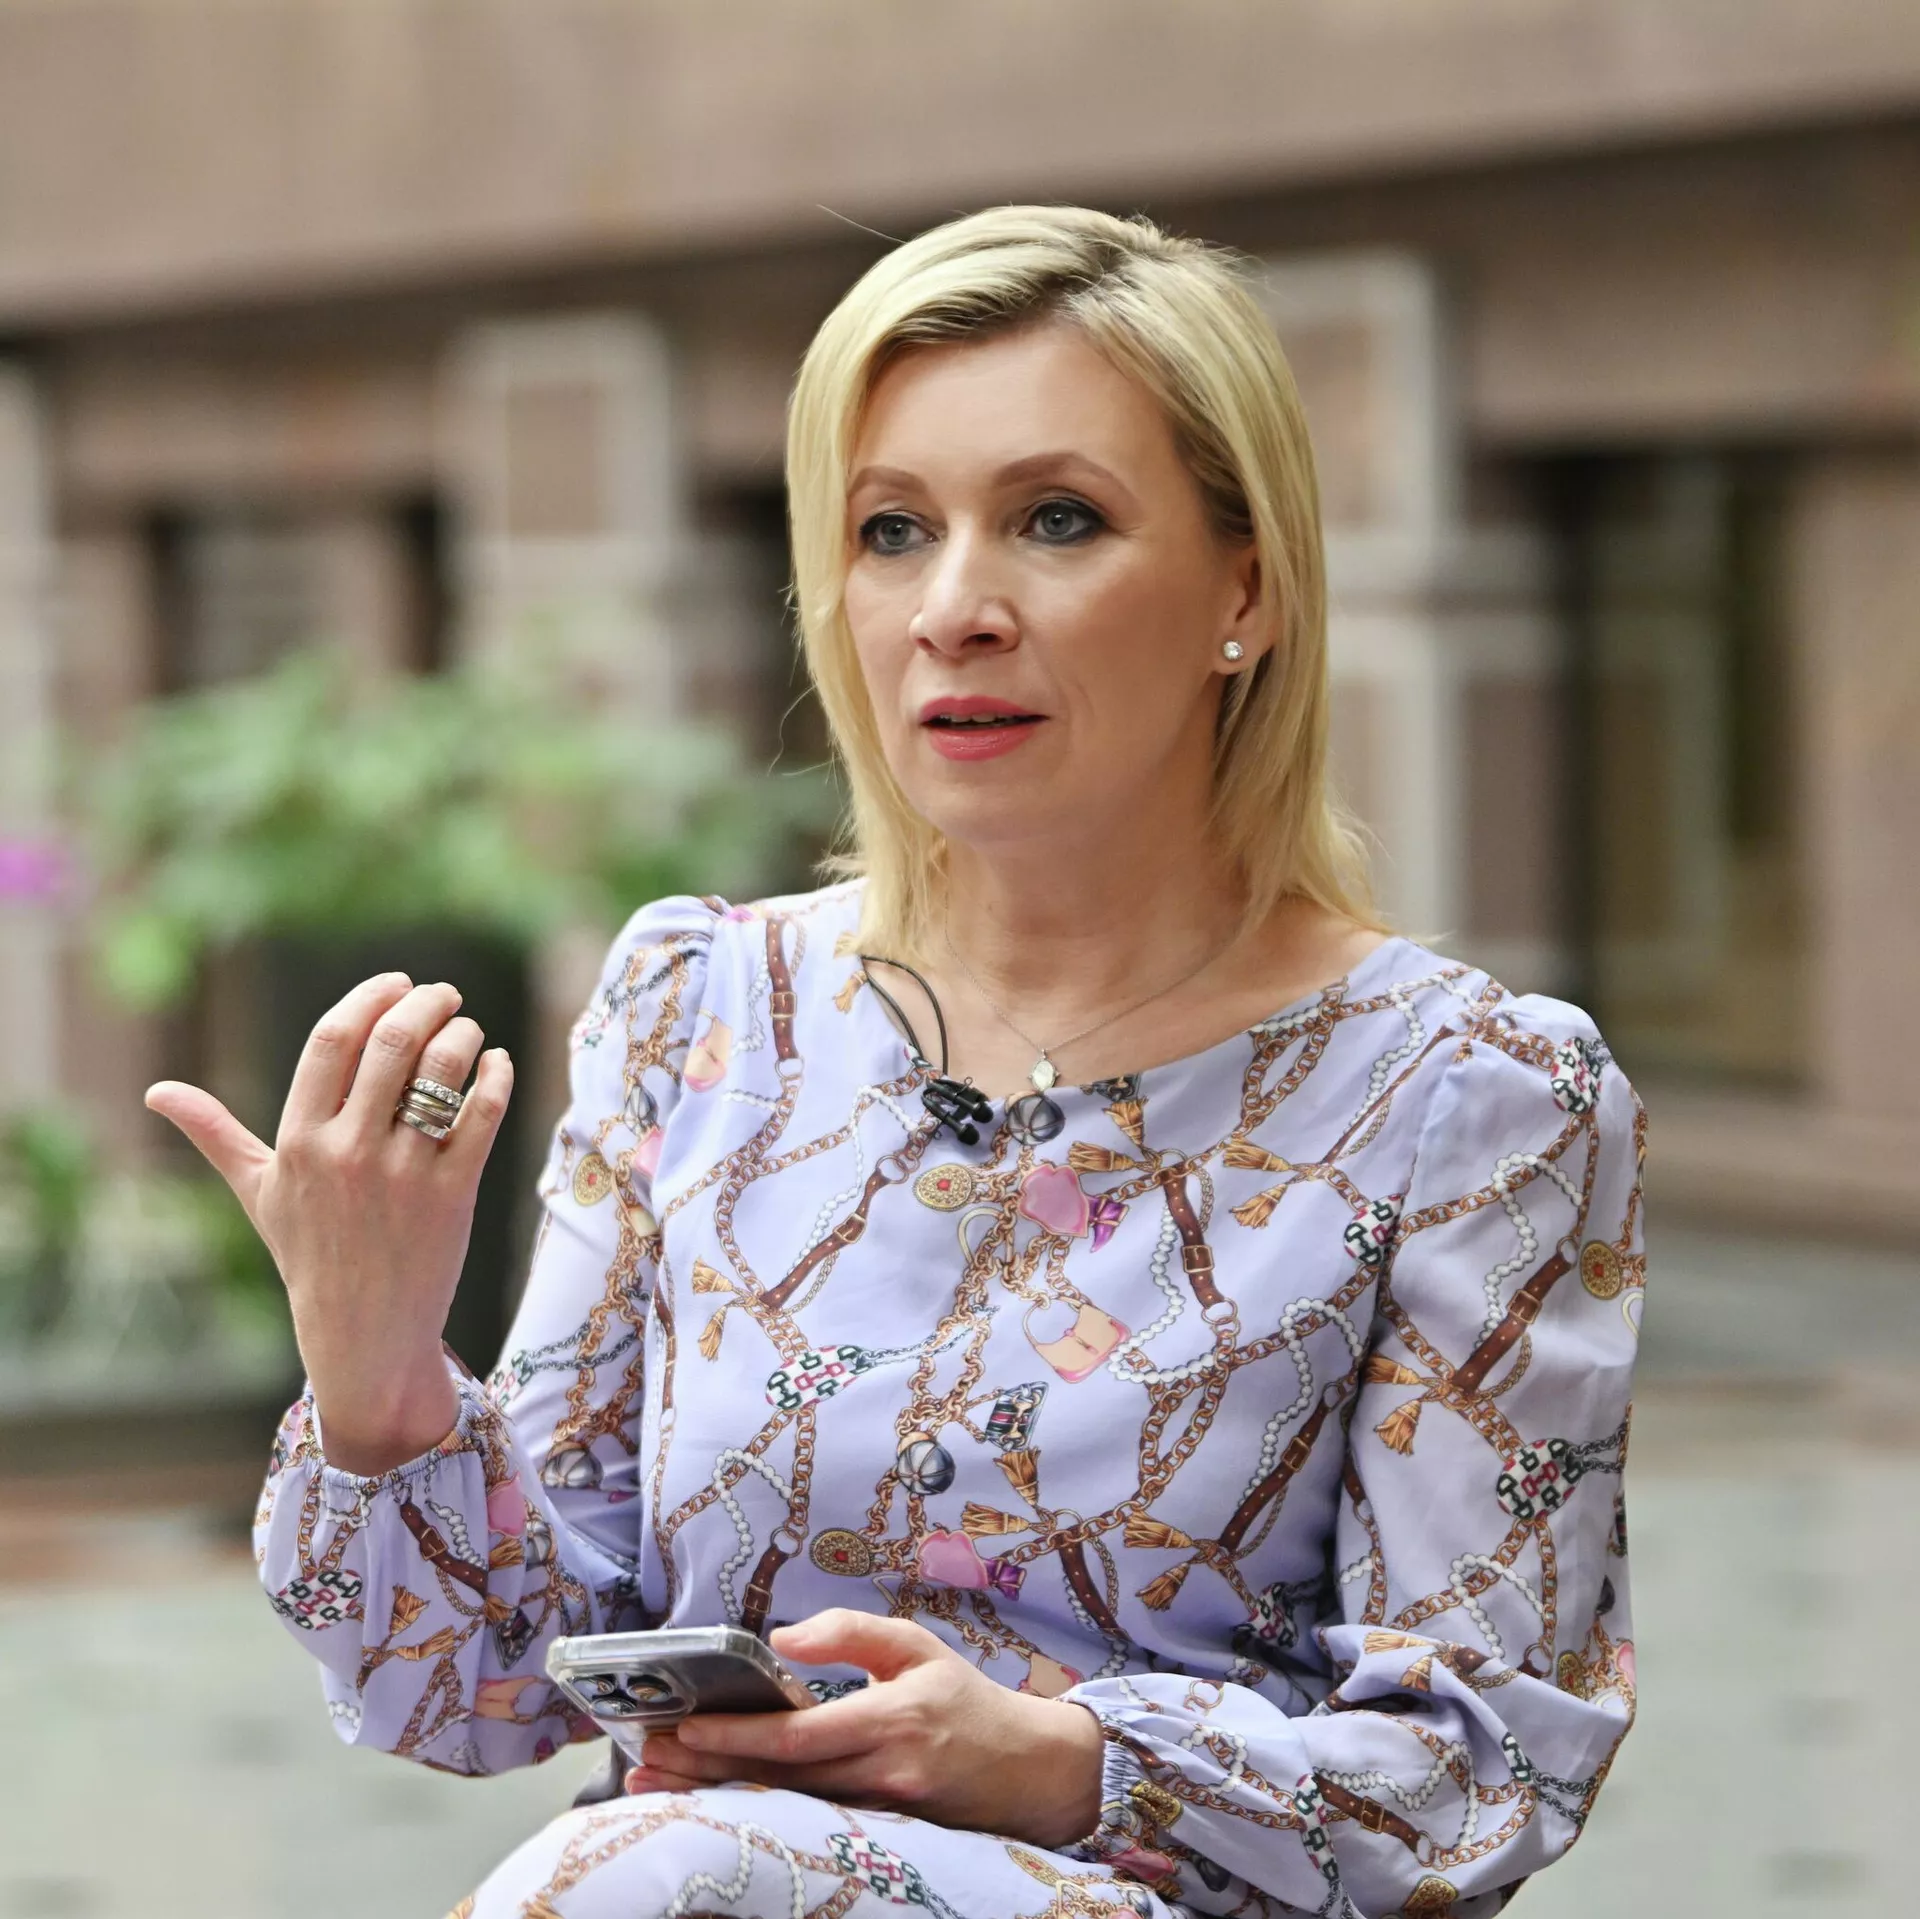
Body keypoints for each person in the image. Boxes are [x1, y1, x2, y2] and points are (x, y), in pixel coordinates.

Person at [149, 205, 1645, 1919]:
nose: (954, 609)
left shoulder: (1474, 1094)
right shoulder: (699, 1006)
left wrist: (1061, 1758)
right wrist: (378, 1376)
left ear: (1247, 589)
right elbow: (490, 1692)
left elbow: (1477, 1768)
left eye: (1057, 519)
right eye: (890, 531)